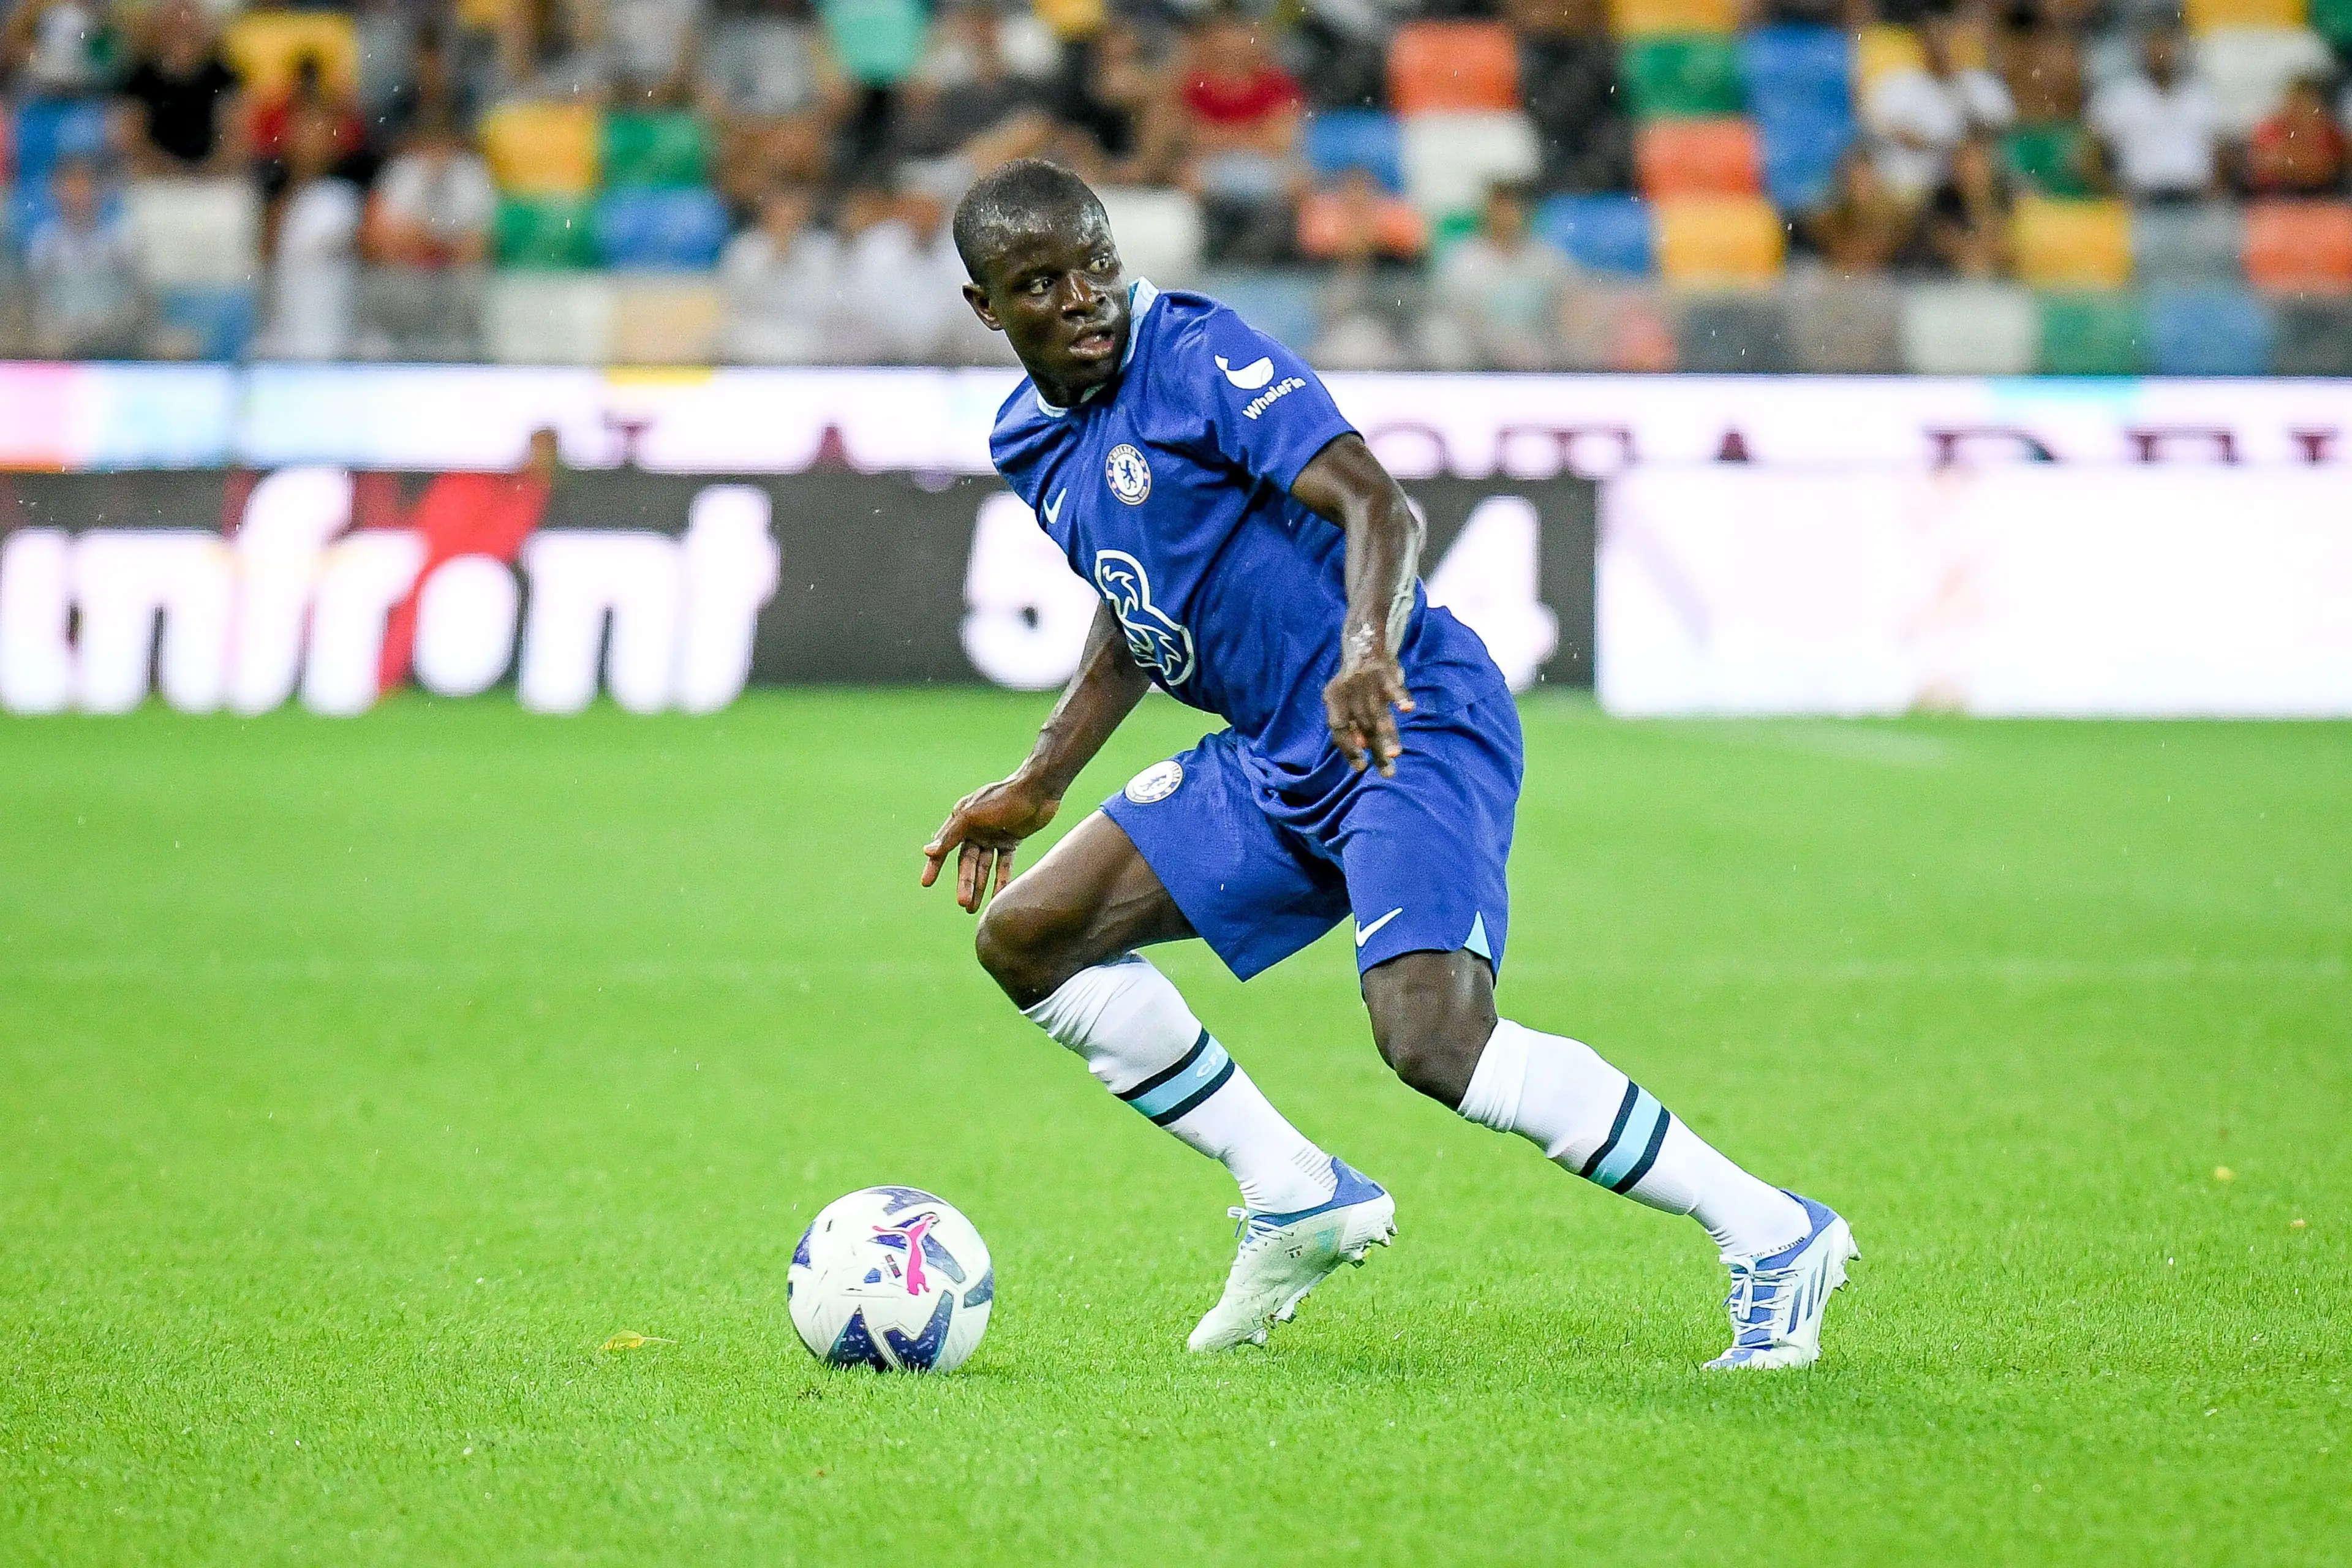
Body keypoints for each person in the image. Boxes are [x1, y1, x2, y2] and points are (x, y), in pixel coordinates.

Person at [921, 159, 1858, 1368]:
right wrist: (1045, 776)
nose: (1085, 297)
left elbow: (1381, 505)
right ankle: (1296, 1190)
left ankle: (1776, 1231)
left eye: (1096, 263)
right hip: (1274, 752)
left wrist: (1365, 648)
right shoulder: (1028, 437)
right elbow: (1133, 601)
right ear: (987, 309)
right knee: (1028, 936)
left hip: (1404, 715)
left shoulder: (1197, 356)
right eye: (1040, 283)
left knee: (1433, 1038)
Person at [1866, 15, 2013, 201]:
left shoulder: (1979, 83)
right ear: (1921, 44)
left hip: (1967, 186)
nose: (1940, 47)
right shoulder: (1898, 84)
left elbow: (2003, 125)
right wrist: (1907, 136)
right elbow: (1875, 125)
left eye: (1945, 39)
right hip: (1911, 187)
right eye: (1933, 40)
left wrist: (1958, 87)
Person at [1427, 181, 1572, 369]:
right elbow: (1460, 314)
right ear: (1487, 210)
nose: (1506, 215)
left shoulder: (1545, 258)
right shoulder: (1465, 259)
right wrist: (1500, 343)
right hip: (1476, 349)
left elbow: (1567, 303)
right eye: (1500, 206)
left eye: (1512, 206)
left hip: (1533, 347)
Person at [24, 155, 148, 357]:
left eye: (85, 185)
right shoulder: (45, 246)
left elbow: (139, 299)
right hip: (61, 341)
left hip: (117, 338)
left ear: (102, 190)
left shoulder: (120, 243)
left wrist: (116, 328)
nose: (79, 194)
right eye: (71, 185)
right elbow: (36, 304)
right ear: (55, 191)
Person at [2086, 25, 2223, 202]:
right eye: (2154, 44)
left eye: (2166, 44)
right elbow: (2091, 155)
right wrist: (2115, 192)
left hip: (2194, 197)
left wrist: (2216, 191)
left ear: (2180, 48)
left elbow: (2222, 152)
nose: (2160, 52)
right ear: (2140, 48)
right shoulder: (2119, 96)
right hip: (2142, 198)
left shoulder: (2202, 95)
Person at [117, 0, 246, 175]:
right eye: (174, 29)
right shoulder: (139, 79)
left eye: (189, 31)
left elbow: (236, 137)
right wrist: (172, 172)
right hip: (155, 180)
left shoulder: (224, 77)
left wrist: (206, 173)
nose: (181, 37)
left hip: (216, 180)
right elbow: (131, 139)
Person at [2246, 73, 2346, 197]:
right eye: (2295, 101)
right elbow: (2262, 167)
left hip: (2322, 198)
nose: (2299, 108)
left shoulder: (2327, 130)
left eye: (2305, 102)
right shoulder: (2270, 129)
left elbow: (2328, 170)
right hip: (2274, 198)